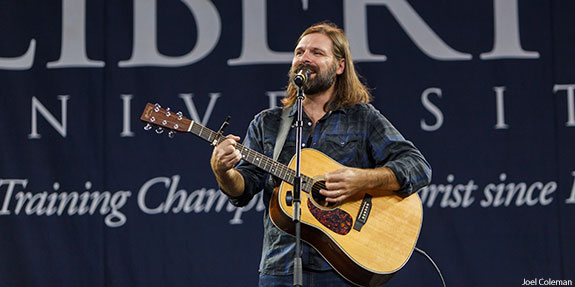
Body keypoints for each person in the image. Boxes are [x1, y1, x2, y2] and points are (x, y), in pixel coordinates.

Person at [210, 22, 432, 286]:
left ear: (339, 66)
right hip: (281, 268)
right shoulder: (268, 123)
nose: (305, 58)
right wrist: (223, 171)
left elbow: (418, 167)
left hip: (343, 267)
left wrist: (362, 180)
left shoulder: (362, 118)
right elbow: (243, 190)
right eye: (299, 52)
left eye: (317, 52)